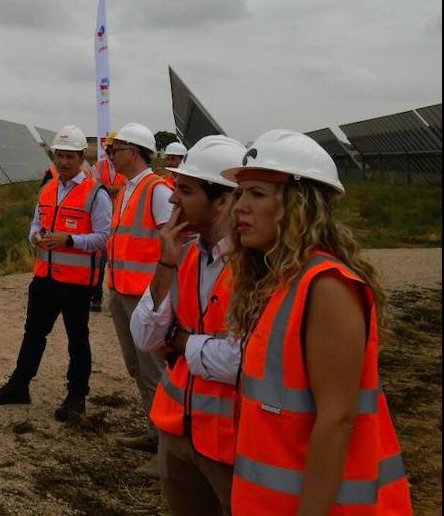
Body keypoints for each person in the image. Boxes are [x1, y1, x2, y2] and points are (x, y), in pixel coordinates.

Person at [221, 130, 411, 514]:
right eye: (240, 194)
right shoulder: (280, 280)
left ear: (298, 205)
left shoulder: (327, 286)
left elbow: (338, 419)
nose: (239, 206)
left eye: (257, 194)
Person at [130, 135, 246, 515]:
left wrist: (180, 341)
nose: (174, 199)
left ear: (224, 200)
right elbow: (145, 335)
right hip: (178, 432)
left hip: (233, 444)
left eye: (186, 190)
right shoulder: (185, 257)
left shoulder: (255, 268)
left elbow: (241, 361)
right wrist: (165, 263)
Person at [0, 125, 112, 420]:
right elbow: (34, 225)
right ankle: (19, 386)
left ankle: (76, 397)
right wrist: (36, 237)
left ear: (81, 157)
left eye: (69, 156)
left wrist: (69, 240)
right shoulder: (48, 187)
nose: (63, 162)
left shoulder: (96, 194)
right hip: (44, 277)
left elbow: (105, 237)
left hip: (76, 282)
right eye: (59, 156)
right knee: (34, 333)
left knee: (77, 338)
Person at [105, 121, 174, 470]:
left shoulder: (157, 190)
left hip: (144, 297)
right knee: (137, 368)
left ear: (133, 152)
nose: (110, 157)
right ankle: (154, 434)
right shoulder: (128, 189)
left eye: (114, 151)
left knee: (152, 371)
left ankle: (167, 450)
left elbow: (173, 242)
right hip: (121, 292)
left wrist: (162, 295)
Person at [91, 141, 127, 312]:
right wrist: (117, 189)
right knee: (100, 260)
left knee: (119, 262)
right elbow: (95, 189)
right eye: (110, 152)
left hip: (122, 221)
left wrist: (107, 188)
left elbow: (126, 189)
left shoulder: (126, 168)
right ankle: (96, 298)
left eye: (115, 151)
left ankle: (119, 299)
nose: (113, 156)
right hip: (102, 221)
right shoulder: (97, 167)